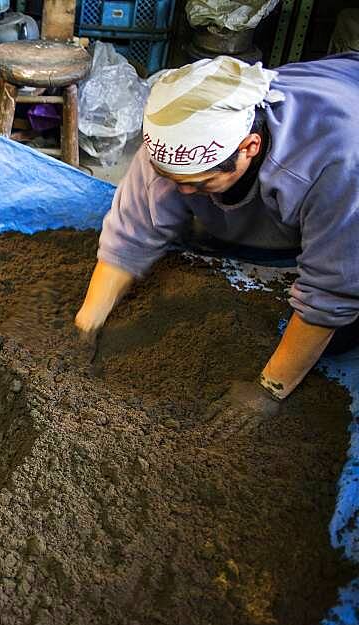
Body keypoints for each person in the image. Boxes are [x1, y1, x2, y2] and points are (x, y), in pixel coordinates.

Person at [73, 53, 359, 437]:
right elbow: (130, 235)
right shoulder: (171, 142)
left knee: (339, 338)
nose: (185, 191)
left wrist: (269, 390)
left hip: (346, 120)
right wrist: (86, 325)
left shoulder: (336, 164)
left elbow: (333, 290)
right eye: (174, 179)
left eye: (201, 183)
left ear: (249, 147)